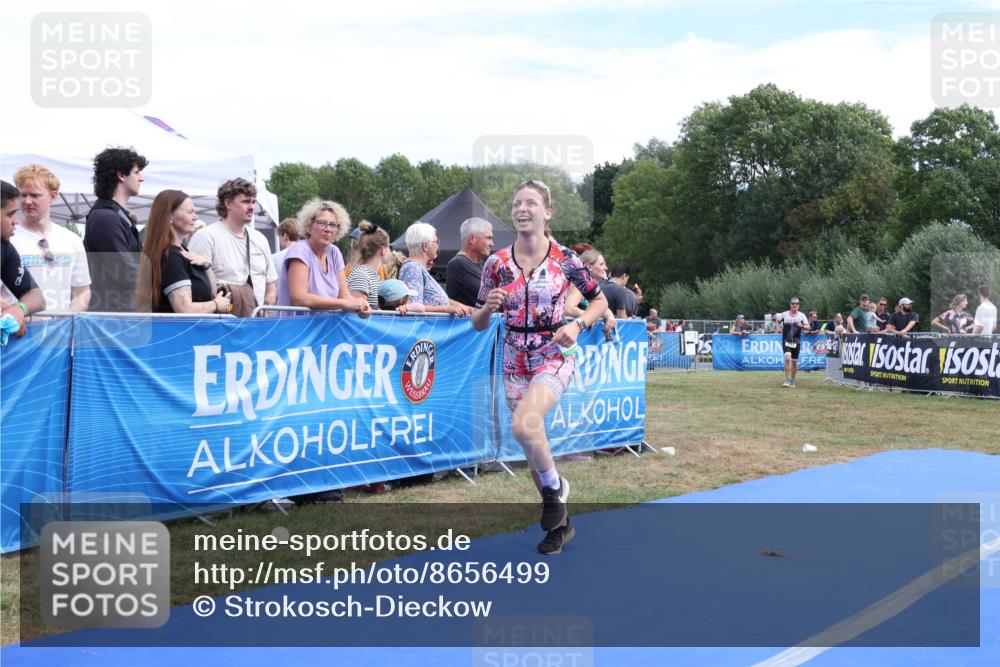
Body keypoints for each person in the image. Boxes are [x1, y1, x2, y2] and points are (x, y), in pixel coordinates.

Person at [472, 179, 608, 555]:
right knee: (533, 442)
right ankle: (560, 524)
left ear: (548, 212)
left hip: (553, 351)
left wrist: (577, 325)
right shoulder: (496, 263)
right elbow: (478, 323)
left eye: (531, 203)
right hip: (513, 356)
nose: (522, 209)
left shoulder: (565, 259)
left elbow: (599, 301)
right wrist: (487, 309)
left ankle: (556, 489)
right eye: (517, 203)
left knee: (524, 424)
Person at [189, 178, 277, 313]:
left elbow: (270, 287)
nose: (252, 207)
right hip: (221, 320)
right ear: (228, 203)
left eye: (253, 202)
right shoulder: (206, 237)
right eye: (245, 202)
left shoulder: (260, 239)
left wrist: (266, 315)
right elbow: (196, 287)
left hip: (256, 321)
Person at [136, 190, 231, 314]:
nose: (195, 217)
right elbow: (185, 309)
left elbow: (211, 293)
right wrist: (216, 304)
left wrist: (207, 266)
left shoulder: (181, 251)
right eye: (190, 212)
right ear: (170, 217)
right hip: (181, 326)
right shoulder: (171, 256)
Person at [10, 165, 91, 312]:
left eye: (34, 195)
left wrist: (68, 320)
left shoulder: (72, 240)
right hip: (18, 326)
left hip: (61, 326)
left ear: (52, 196)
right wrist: (16, 313)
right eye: (23, 195)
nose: (27, 201)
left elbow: (82, 291)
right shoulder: (8, 240)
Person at [276, 198, 370, 315]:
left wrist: (360, 306)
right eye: (322, 223)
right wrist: (343, 304)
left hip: (324, 324)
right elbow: (299, 298)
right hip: (296, 324)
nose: (328, 229)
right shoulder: (299, 251)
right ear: (309, 227)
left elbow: (344, 295)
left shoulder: (334, 252)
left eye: (333, 225)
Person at [83, 146, 147, 311]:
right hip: (114, 315)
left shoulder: (112, 216)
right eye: (137, 172)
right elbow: (127, 274)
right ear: (121, 175)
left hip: (119, 312)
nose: (141, 178)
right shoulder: (107, 218)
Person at [1, 181, 45, 337]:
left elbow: (37, 297)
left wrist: (19, 309)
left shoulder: (5, 248)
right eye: (10, 214)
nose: (16, 221)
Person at [399, 222, 471, 316]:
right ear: (425, 246)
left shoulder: (416, 268)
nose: (438, 246)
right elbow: (413, 307)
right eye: (436, 242)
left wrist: (468, 309)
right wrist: (447, 309)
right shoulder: (413, 268)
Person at [564, 248, 616, 340]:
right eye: (602, 264)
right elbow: (568, 309)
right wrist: (590, 317)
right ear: (590, 266)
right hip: (571, 336)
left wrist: (609, 315)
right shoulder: (580, 283)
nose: (606, 268)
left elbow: (600, 305)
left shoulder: (591, 284)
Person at [446, 217, 494, 307]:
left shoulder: (483, 264)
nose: (492, 243)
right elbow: (489, 297)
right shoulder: (458, 264)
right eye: (488, 238)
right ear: (472, 239)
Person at [347, 221, 391, 310]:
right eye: (389, 246)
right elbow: (356, 313)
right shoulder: (362, 276)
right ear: (383, 250)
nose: (391, 251)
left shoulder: (372, 275)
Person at [777, 296, 810, 388]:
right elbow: (777, 320)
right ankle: (787, 380)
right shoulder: (784, 314)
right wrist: (778, 327)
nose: (795, 305)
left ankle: (792, 380)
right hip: (786, 340)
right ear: (790, 305)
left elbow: (808, 327)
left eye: (797, 303)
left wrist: (801, 325)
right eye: (793, 303)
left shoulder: (802, 315)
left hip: (796, 341)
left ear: (798, 305)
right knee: (787, 357)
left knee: (794, 363)